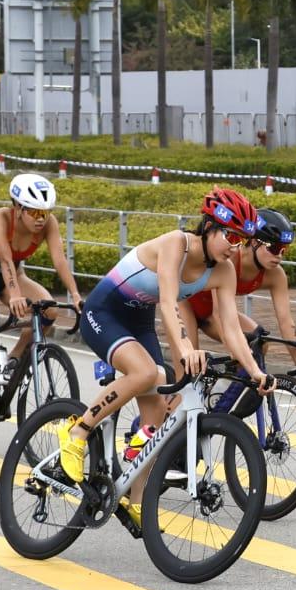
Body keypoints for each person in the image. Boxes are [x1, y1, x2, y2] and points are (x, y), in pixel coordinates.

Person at [53, 188, 275, 524]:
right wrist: (186, 350)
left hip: (139, 319)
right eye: (230, 235)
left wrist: (254, 371)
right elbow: (170, 302)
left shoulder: (224, 270)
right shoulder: (178, 244)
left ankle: (136, 500)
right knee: (145, 374)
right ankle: (78, 431)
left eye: (242, 240)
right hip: (105, 311)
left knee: (156, 420)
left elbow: (231, 328)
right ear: (209, 227)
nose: (235, 245)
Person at [0, 173, 84, 444]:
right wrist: (13, 295)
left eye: (46, 212)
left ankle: (12, 360)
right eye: (34, 211)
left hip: (13, 275)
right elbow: (4, 259)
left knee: (48, 311)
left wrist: (75, 294)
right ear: (18, 208)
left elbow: (60, 260)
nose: (41, 218)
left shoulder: (49, 225)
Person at [177, 208, 296, 372]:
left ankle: (232, 394)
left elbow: (285, 320)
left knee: (259, 342)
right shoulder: (230, 260)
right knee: (190, 368)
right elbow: (218, 314)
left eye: (285, 250)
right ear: (255, 242)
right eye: (274, 249)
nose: (279, 256)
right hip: (189, 305)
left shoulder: (276, 275)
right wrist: (235, 349)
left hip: (213, 311)